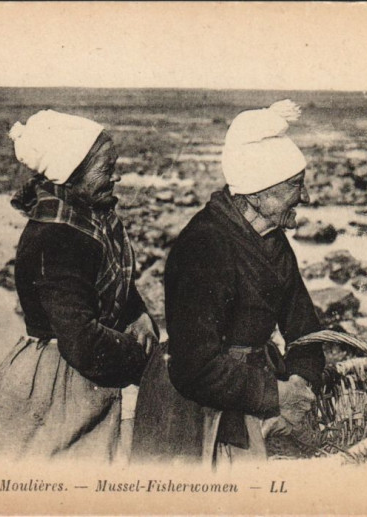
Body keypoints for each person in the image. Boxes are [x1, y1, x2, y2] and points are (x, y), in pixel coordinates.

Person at [132, 100, 324, 466]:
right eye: (295, 186)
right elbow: (195, 366)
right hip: (197, 403)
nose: (306, 197)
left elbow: (305, 330)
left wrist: (300, 383)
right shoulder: (205, 245)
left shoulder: (272, 241)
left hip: (257, 391)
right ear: (257, 191)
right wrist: (276, 396)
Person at [0, 110, 157, 463]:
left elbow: (114, 286)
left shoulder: (91, 220)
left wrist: (139, 316)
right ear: (72, 174)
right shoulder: (56, 237)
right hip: (56, 385)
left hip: (77, 374)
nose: (116, 176)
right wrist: (145, 361)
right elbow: (82, 342)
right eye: (106, 169)